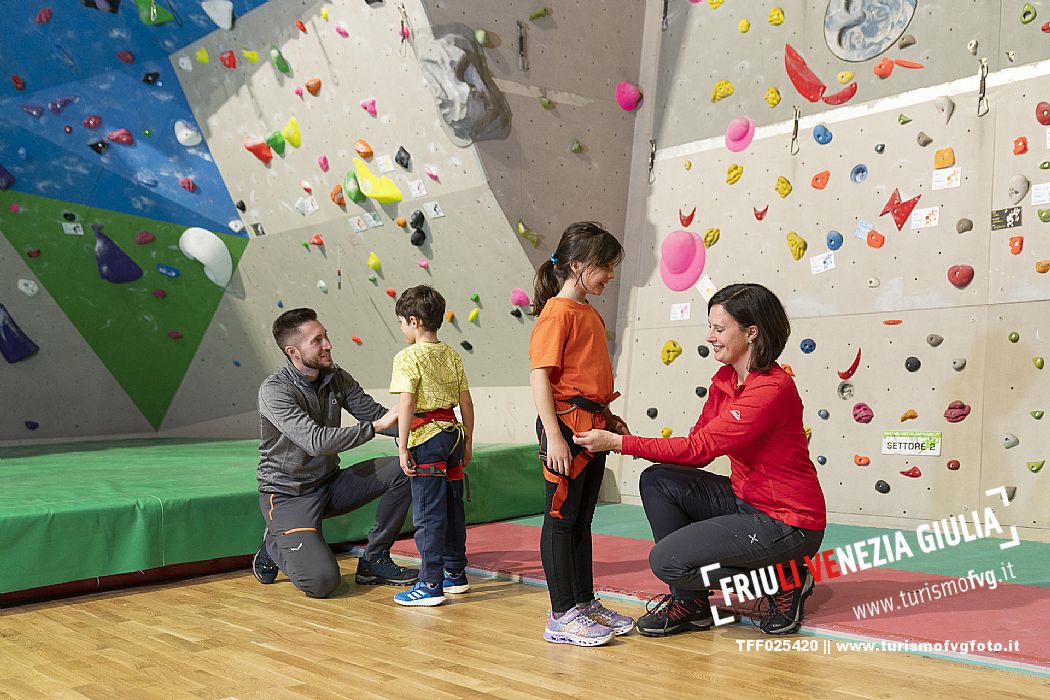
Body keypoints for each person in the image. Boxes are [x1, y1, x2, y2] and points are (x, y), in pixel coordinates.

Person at [574, 283, 827, 636]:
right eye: (710, 327)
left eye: (719, 329)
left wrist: (617, 443)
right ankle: (692, 605)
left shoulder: (771, 389)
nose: (710, 336)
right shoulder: (725, 380)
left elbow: (699, 449)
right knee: (658, 480)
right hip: (746, 501)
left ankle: (787, 579)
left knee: (667, 562)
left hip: (789, 522)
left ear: (751, 332)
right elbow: (695, 450)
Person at [254, 308, 419, 598]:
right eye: (317, 340)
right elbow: (315, 441)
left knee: (403, 470)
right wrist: (374, 427)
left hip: (329, 484)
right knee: (322, 583)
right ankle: (274, 543)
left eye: (326, 336)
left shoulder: (336, 376)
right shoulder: (275, 391)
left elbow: (377, 415)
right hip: (287, 496)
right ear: (293, 351)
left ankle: (374, 560)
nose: (328, 344)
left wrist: (427, 429)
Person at [529, 221, 635, 647]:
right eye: (604, 265)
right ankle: (561, 615)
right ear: (576, 265)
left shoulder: (587, 311)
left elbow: (587, 376)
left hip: (592, 426)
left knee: (582, 520)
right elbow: (541, 378)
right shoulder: (556, 312)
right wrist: (554, 436)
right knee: (560, 519)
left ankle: (584, 602)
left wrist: (610, 416)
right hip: (567, 429)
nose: (610, 273)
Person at [388, 285, 475, 607]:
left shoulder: (407, 357)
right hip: (452, 435)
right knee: (453, 509)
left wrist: (402, 447)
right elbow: (466, 402)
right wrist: (467, 442)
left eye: (401, 323)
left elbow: (407, 402)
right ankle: (455, 573)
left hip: (426, 439)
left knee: (428, 513)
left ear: (414, 321)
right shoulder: (451, 354)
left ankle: (429, 584)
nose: (401, 329)